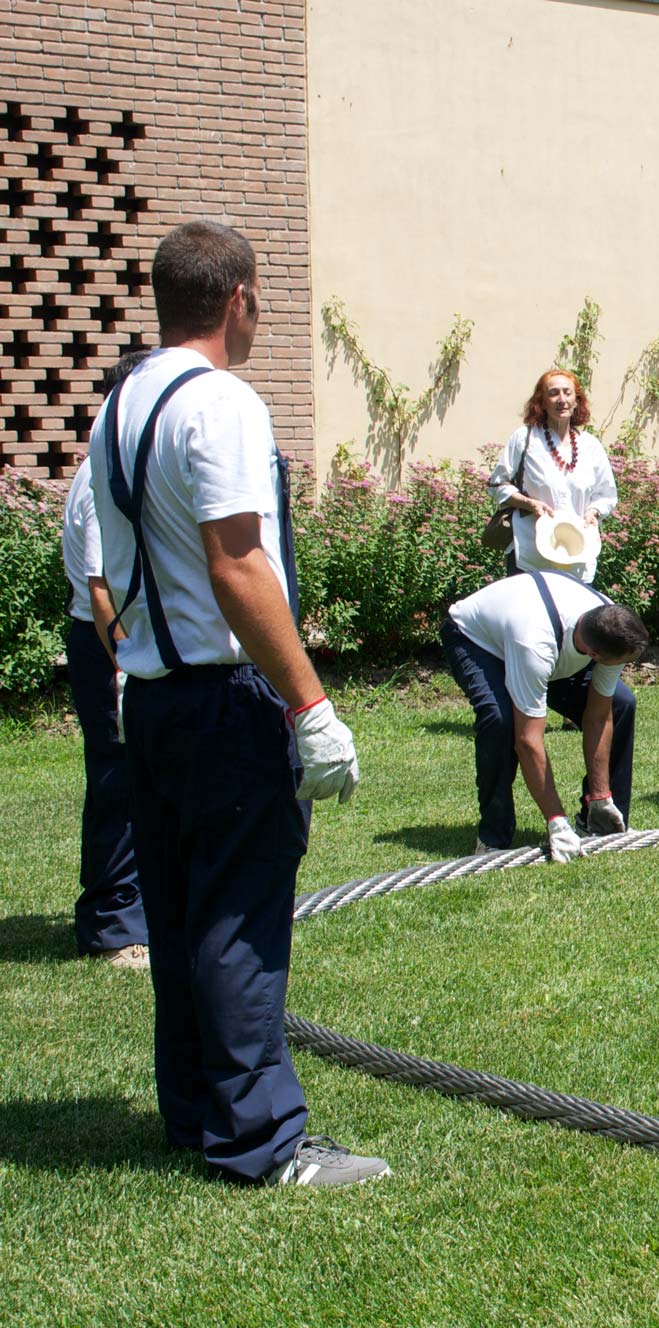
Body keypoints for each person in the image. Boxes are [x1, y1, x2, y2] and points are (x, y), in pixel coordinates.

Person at [90, 220, 376, 1187]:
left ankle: (195, 1111)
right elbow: (238, 563)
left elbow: (116, 562)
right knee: (240, 917)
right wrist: (311, 707)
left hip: (154, 699)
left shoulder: (122, 401)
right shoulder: (221, 402)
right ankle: (262, 1140)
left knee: (176, 916)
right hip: (222, 700)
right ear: (240, 297)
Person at [441, 572, 646, 857]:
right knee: (500, 721)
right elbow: (528, 740)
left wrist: (600, 795)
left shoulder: (610, 625)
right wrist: (556, 820)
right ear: (594, 654)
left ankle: (601, 820)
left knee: (621, 704)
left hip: (551, 643)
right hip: (478, 641)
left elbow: (599, 717)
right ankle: (493, 839)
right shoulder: (535, 645)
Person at [62, 349, 153, 971]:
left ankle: (132, 909)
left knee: (133, 780)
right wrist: (123, 663)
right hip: (106, 645)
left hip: (114, 640)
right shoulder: (102, 474)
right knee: (118, 783)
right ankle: (113, 928)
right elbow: (100, 589)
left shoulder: (111, 463)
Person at [488, 369, 618, 582]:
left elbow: (606, 495)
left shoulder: (591, 446)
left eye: (567, 392)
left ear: (577, 400)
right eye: (554, 393)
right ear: (541, 402)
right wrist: (529, 503)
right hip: (530, 554)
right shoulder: (525, 439)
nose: (562, 400)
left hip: (577, 555)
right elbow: (497, 484)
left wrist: (594, 512)